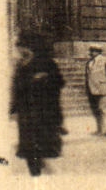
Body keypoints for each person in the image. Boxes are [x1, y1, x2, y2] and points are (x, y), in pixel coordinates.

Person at [10, 35, 65, 176]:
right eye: (18, 47)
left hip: (43, 112)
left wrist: (42, 79)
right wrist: (14, 108)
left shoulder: (46, 62)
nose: (20, 49)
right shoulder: (21, 64)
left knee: (42, 151)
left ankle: (52, 179)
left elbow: (59, 82)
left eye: (22, 46)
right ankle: (36, 176)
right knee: (30, 151)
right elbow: (16, 88)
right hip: (26, 113)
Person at [83, 43, 106, 136]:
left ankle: (105, 130)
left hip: (102, 89)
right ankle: (99, 130)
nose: (90, 53)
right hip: (92, 89)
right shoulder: (89, 63)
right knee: (96, 110)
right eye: (90, 51)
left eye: (93, 51)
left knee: (103, 109)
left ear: (98, 51)